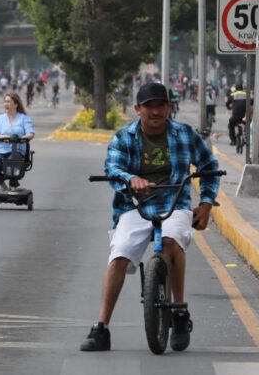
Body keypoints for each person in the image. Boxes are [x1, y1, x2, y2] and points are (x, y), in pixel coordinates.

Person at [80, 82, 220, 352]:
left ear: (169, 107)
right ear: (138, 109)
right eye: (149, 107)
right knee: (119, 255)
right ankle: (101, 327)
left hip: (174, 202)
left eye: (161, 105)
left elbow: (209, 166)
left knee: (171, 242)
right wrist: (131, 179)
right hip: (134, 206)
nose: (156, 112)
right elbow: (112, 167)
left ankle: (179, 313)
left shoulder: (185, 134)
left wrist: (205, 205)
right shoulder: (124, 137)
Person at [0, 92, 34, 192]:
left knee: (13, 162)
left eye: (9, 101)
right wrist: (1, 137)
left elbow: (30, 133)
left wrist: (22, 138)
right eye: (5, 102)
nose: (6, 104)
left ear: (15, 105)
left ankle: (13, 181)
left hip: (17, 150)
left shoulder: (24, 118)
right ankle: (3, 186)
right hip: (1, 150)